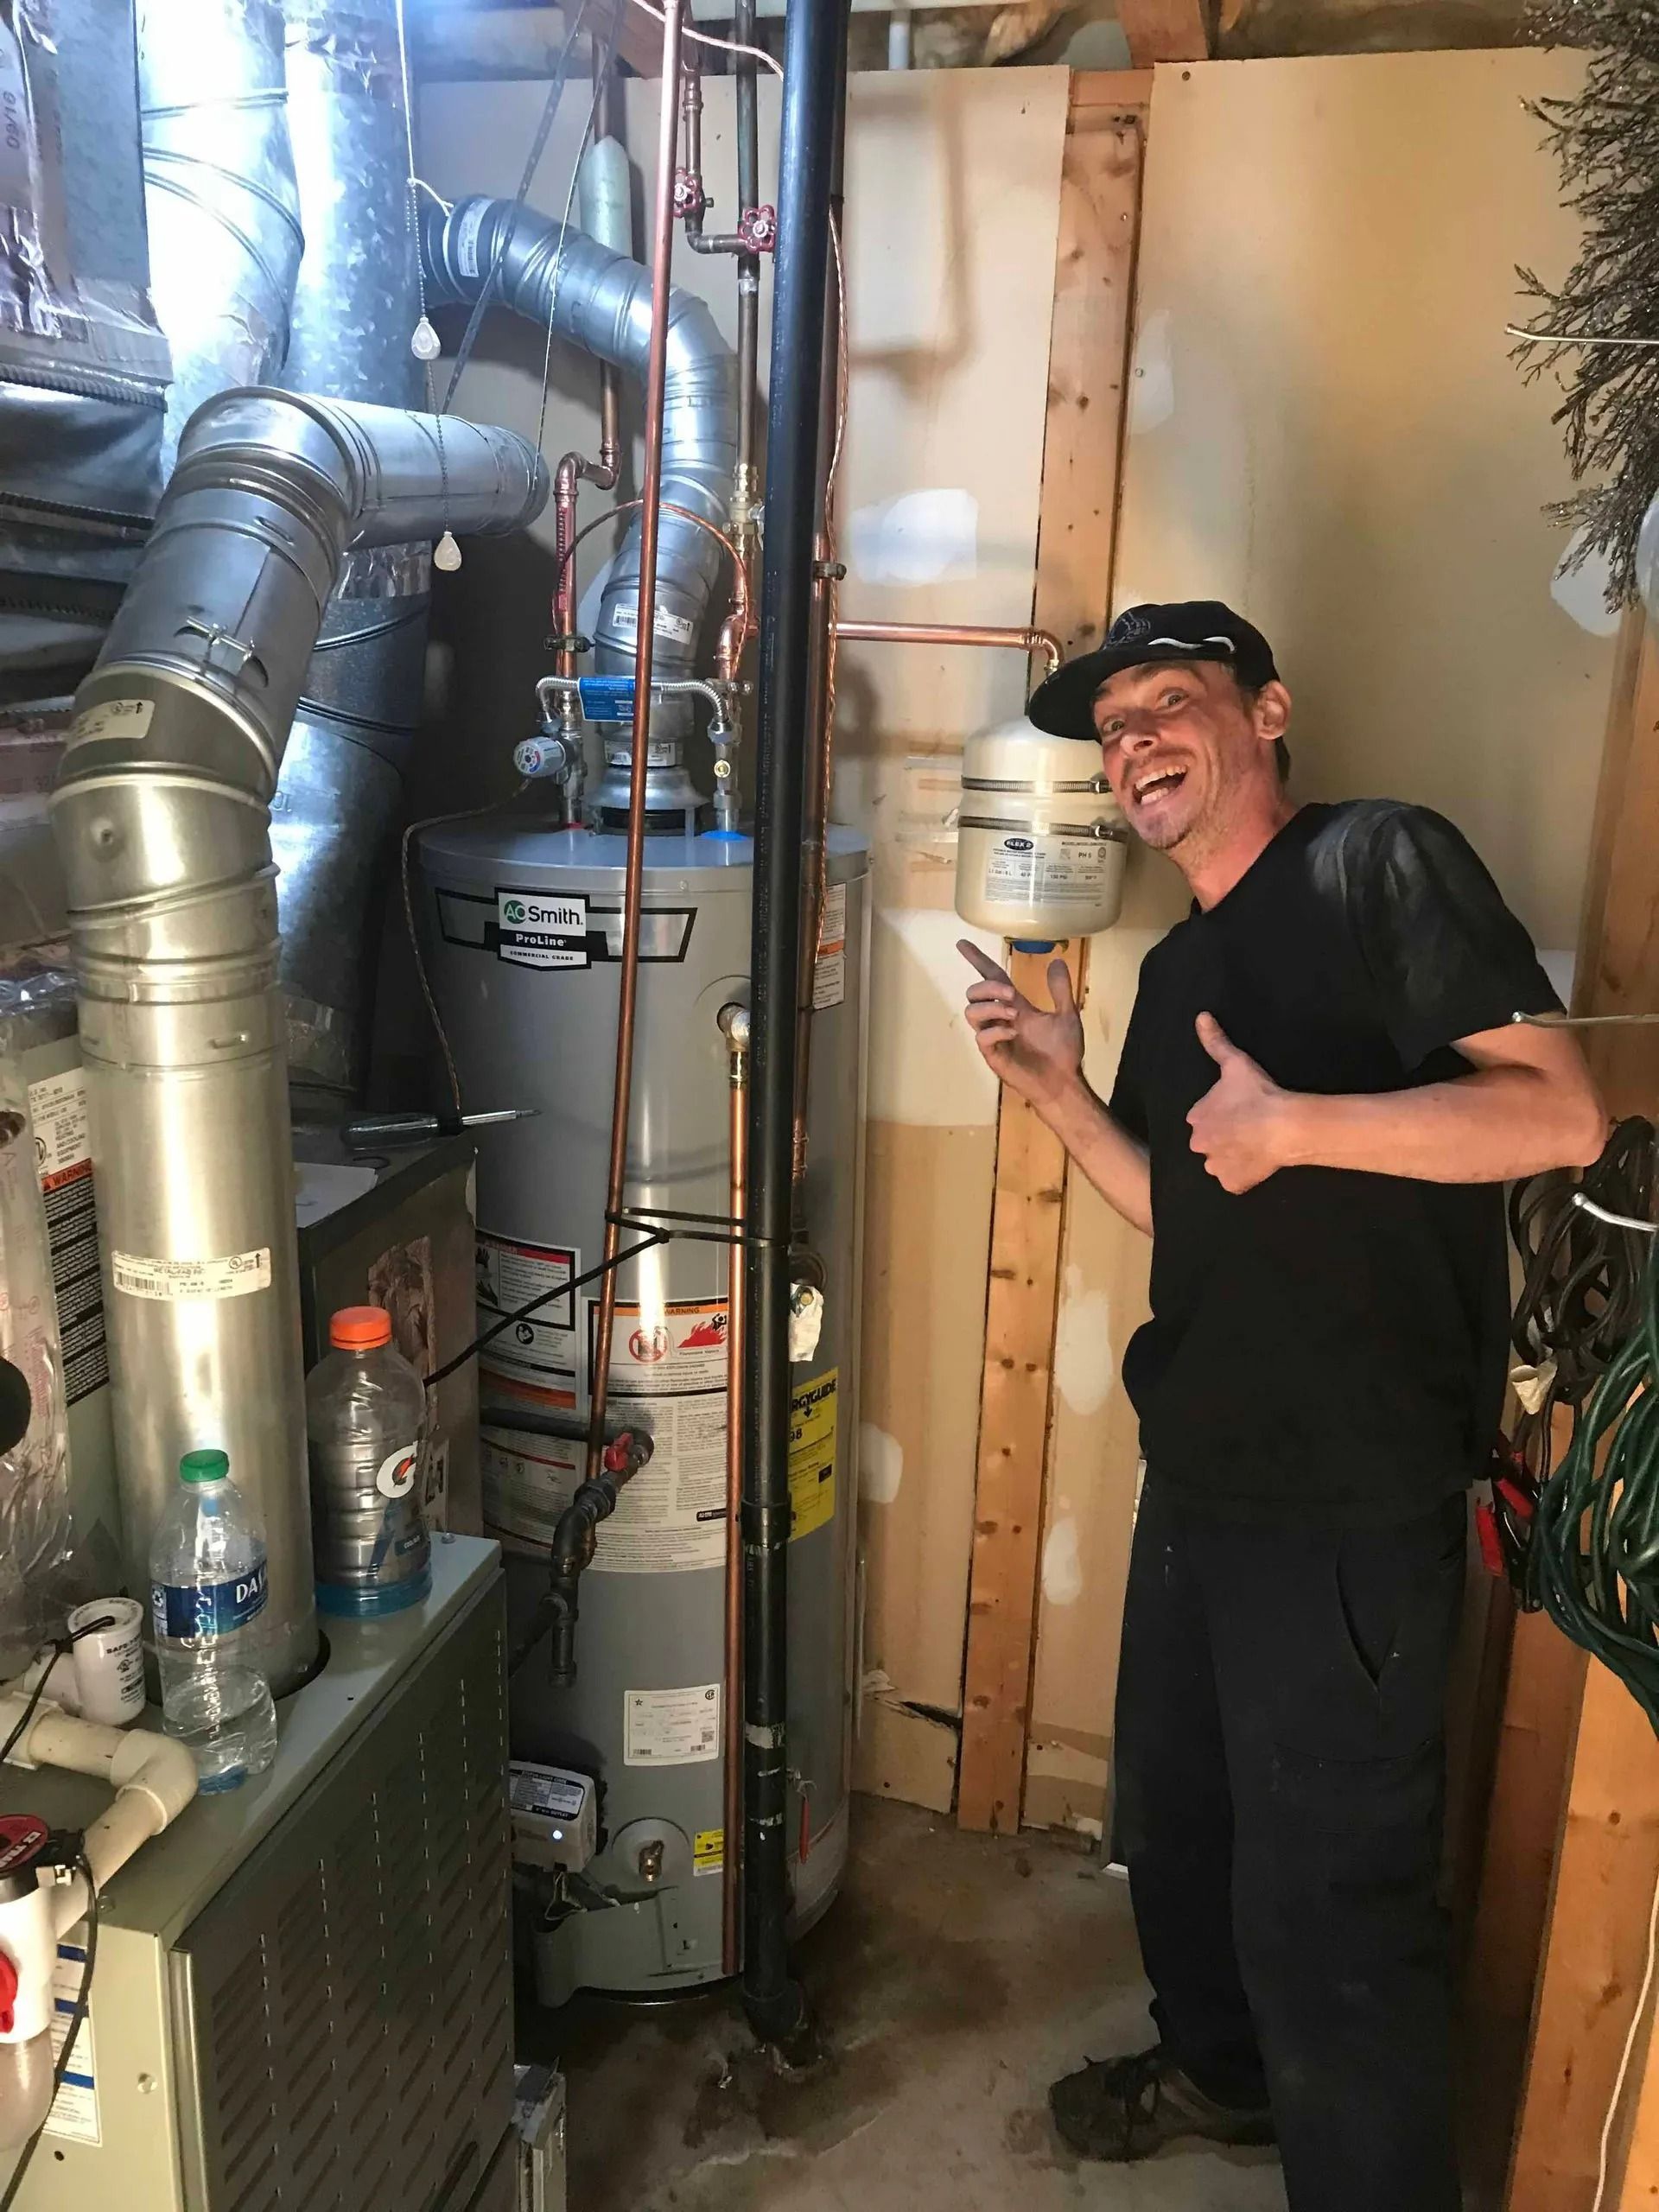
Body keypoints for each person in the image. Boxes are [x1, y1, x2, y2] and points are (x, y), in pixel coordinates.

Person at [959, 602, 1605, 2212]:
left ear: (1266, 712)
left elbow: (1560, 1116)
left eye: (1169, 703)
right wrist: (1059, 1090)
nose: (1134, 745)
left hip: (1349, 1500)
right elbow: (1181, 1204)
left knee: (1335, 1914)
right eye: (1113, 730)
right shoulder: (1181, 967)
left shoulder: (1380, 862)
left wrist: (1305, 1124)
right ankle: (1226, 2080)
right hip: (1203, 1476)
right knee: (1181, 1839)